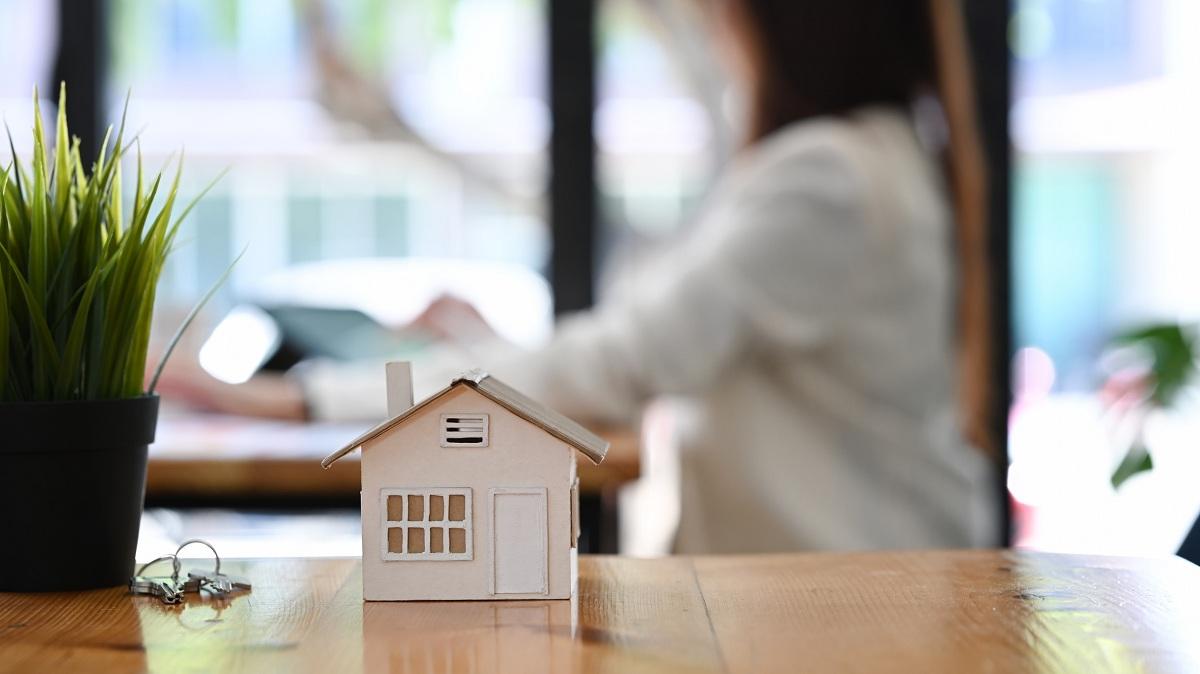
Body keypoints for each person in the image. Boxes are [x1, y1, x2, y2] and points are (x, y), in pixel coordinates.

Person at [161, 0, 1000, 551]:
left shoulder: (828, 179)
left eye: (722, 20)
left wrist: (305, 396)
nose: (716, 36)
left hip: (843, 610)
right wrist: (483, 349)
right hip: (848, 584)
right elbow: (656, 341)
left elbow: (623, 364)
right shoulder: (871, 160)